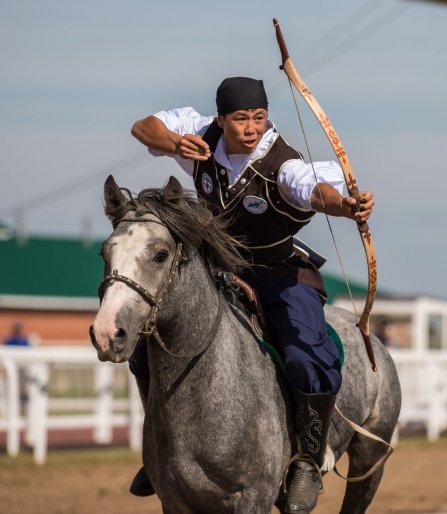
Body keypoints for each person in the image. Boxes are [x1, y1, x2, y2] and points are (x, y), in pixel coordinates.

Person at [130, 77, 374, 513]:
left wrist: (345, 206)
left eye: (259, 117)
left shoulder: (282, 163)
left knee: (305, 358)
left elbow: (316, 192)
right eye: (240, 119)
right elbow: (141, 128)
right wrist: (173, 143)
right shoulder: (200, 132)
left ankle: (306, 461)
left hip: (278, 273)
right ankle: (160, 451)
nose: (251, 128)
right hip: (214, 270)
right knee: (144, 347)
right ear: (221, 119)